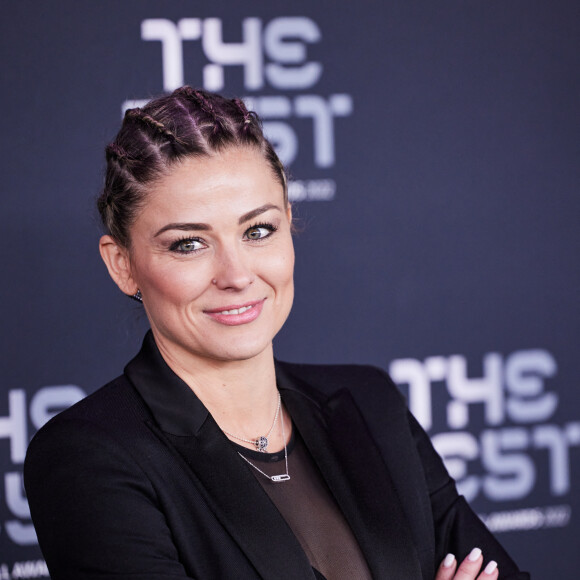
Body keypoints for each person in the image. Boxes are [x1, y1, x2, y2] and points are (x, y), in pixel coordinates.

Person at [24, 87, 530, 580]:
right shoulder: (89, 458)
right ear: (123, 266)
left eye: (258, 231)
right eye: (188, 244)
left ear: (288, 225)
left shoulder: (369, 404)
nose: (237, 274)